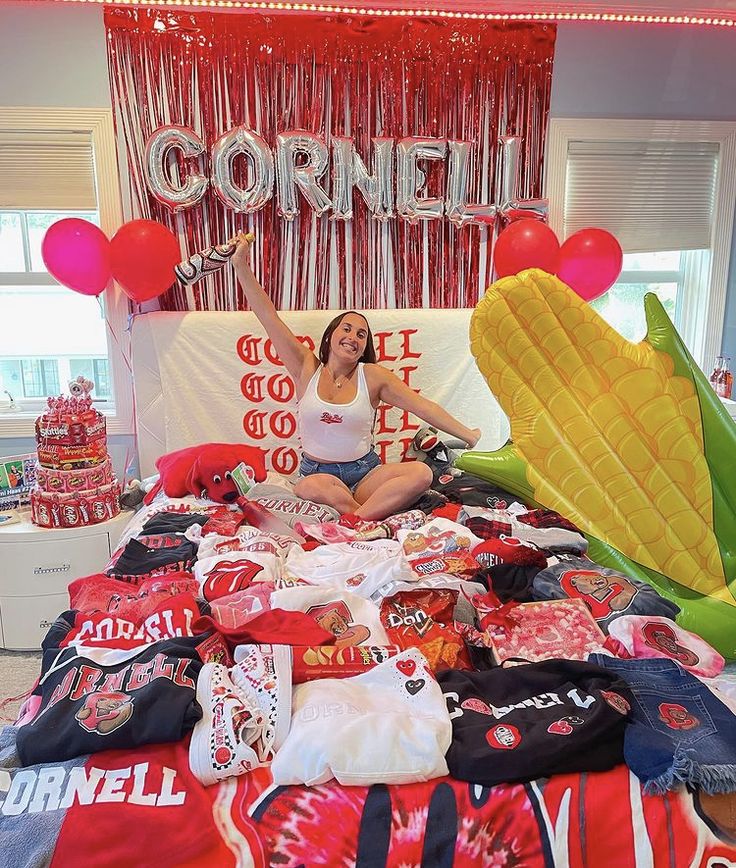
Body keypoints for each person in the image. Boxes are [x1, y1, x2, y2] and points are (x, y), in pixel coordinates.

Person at [231, 235, 481, 521]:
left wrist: (468, 435)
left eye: (361, 335)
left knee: (421, 473)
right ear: (330, 335)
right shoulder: (306, 367)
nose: (352, 337)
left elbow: (423, 407)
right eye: (346, 329)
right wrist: (241, 266)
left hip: (366, 474)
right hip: (319, 474)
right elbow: (268, 317)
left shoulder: (371, 376)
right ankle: (365, 517)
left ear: (365, 347)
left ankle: (354, 520)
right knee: (312, 487)